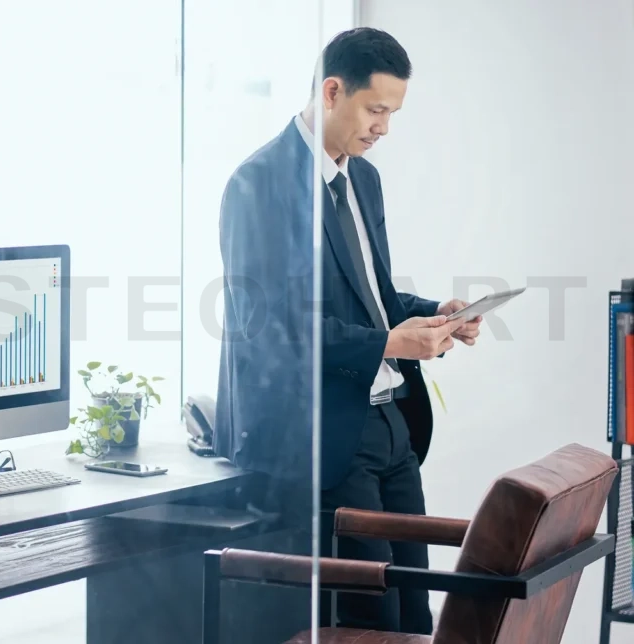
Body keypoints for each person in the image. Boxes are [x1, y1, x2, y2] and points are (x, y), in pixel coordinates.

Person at [215, 27, 482, 635]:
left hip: (391, 426)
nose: (384, 127)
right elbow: (270, 331)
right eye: (377, 109)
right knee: (371, 616)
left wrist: (439, 311)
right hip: (324, 436)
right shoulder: (258, 185)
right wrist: (391, 343)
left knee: (416, 608)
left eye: (393, 113)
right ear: (332, 91)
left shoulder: (362, 179)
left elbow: (375, 298)